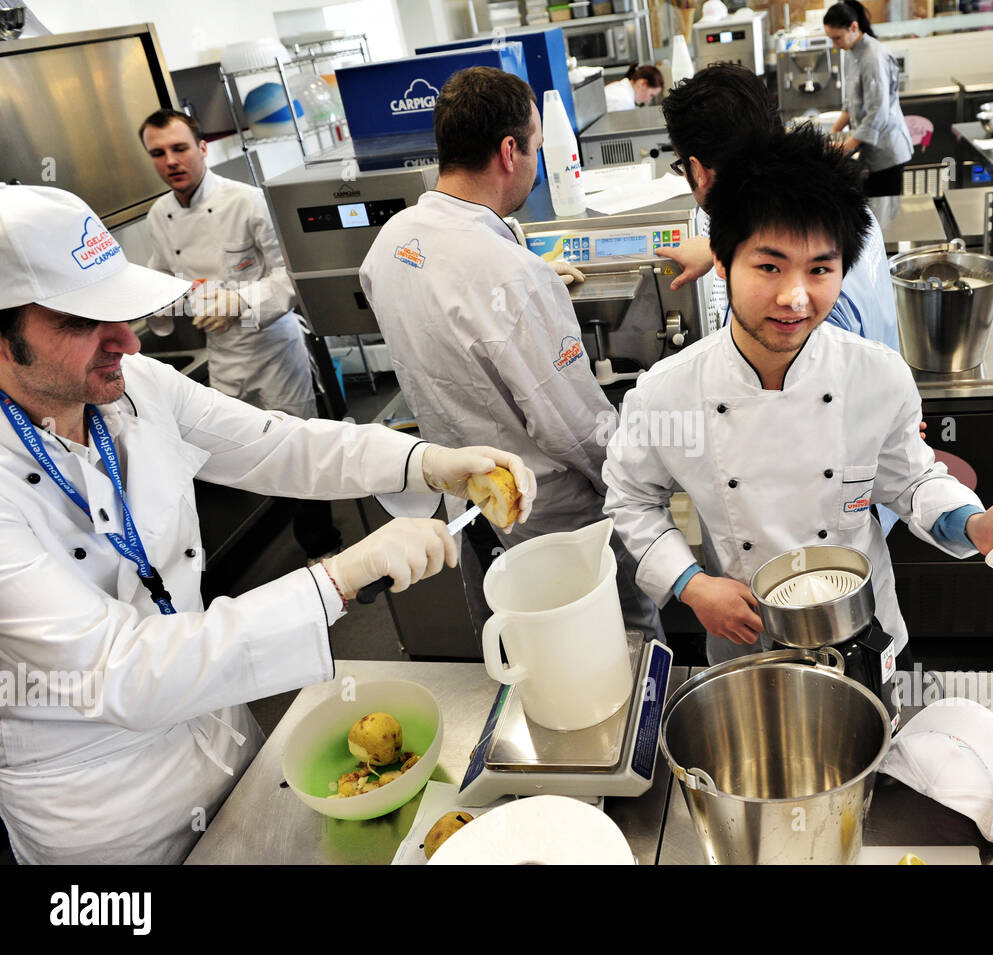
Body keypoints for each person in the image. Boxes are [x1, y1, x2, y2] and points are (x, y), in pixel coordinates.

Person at [0, 183, 537, 864]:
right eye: (82, 321)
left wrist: (423, 460)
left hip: (224, 741)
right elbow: (118, 670)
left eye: (121, 312)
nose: (128, 341)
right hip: (108, 816)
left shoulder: (133, 386)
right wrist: (337, 579)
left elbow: (276, 443)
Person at [603, 126, 993, 665]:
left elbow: (911, 479)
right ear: (722, 260)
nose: (795, 297)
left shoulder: (877, 376)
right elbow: (631, 498)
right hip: (749, 636)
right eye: (769, 266)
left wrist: (973, 524)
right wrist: (692, 585)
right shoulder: (668, 393)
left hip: (862, 628)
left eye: (819, 269)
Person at [359, 66, 662, 642]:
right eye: (537, 148)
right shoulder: (514, 281)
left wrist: (525, 281)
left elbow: (445, 310)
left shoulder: (391, 242)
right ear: (508, 151)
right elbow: (573, 428)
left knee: (516, 646)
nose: (536, 162)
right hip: (554, 522)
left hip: (468, 507)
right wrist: (638, 485)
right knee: (618, 644)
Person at [656, 64, 905, 533]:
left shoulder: (786, 298)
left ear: (696, 170)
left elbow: (807, 401)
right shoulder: (830, 198)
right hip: (862, 483)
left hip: (834, 508)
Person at [139, 108, 341, 560]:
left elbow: (291, 277)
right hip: (224, 353)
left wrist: (240, 303)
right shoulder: (159, 215)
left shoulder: (246, 201)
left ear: (202, 148)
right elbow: (162, 276)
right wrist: (159, 307)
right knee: (230, 450)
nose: (171, 160)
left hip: (273, 349)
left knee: (298, 448)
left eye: (179, 148)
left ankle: (321, 547)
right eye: (158, 153)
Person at [823, 0, 913, 197]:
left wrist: (845, 148)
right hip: (870, 150)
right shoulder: (850, 53)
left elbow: (877, 113)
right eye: (831, 39)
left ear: (854, 27)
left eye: (837, 38)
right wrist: (833, 133)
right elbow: (850, 103)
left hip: (888, 152)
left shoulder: (873, 57)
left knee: (884, 215)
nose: (835, 45)